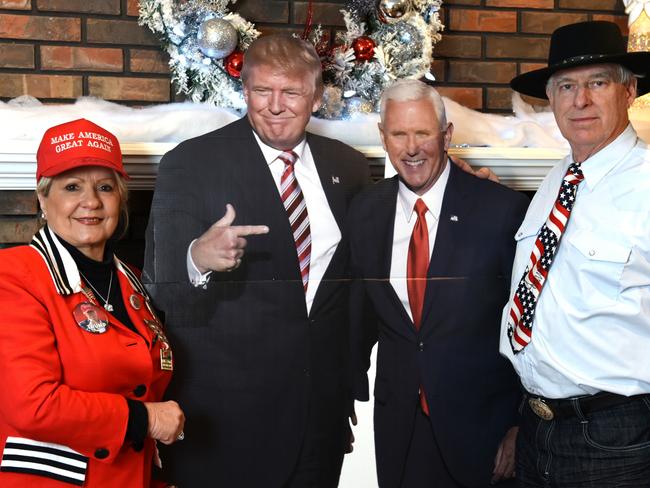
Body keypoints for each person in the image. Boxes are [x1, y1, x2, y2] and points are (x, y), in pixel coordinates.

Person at [143, 35, 370, 487]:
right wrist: (198, 257)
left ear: (317, 97)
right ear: (244, 91)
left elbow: (354, 286)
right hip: (224, 424)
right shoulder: (190, 163)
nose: (275, 106)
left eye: (291, 93)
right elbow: (159, 284)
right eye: (262, 91)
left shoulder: (350, 167)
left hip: (317, 418)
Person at [348, 79, 530, 488]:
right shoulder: (363, 213)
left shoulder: (501, 211)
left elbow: (528, 326)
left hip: (487, 434)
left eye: (423, 133)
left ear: (446, 135)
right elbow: (355, 324)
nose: (411, 148)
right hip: (402, 432)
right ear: (383, 136)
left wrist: (523, 425)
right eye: (399, 133)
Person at [501, 21, 650, 487]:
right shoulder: (556, 181)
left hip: (616, 436)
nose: (579, 100)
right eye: (566, 86)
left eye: (597, 83)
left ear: (629, 91)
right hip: (536, 427)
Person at [0, 118, 185, 488]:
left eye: (105, 187)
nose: (91, 202)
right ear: (42, 198)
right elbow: (33, 404)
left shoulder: (131, 280)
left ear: (121, 198)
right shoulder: (14, 275)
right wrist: (145, 419)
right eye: (72, 187)